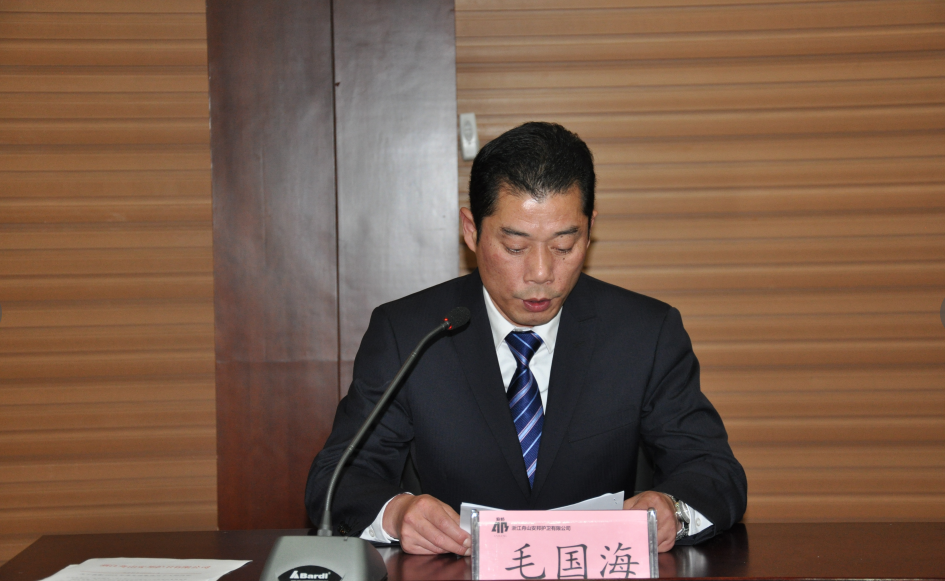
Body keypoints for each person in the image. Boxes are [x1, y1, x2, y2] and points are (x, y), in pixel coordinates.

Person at [306, 122, 747, 556]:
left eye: (563, 246)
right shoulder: (410, 333)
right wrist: (399, 514)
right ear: (471, 230)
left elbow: (715, 473)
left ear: (589, 229)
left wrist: (672, 510)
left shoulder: (644, 333)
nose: (540, 273)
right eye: (515, 247)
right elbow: (337, 479)